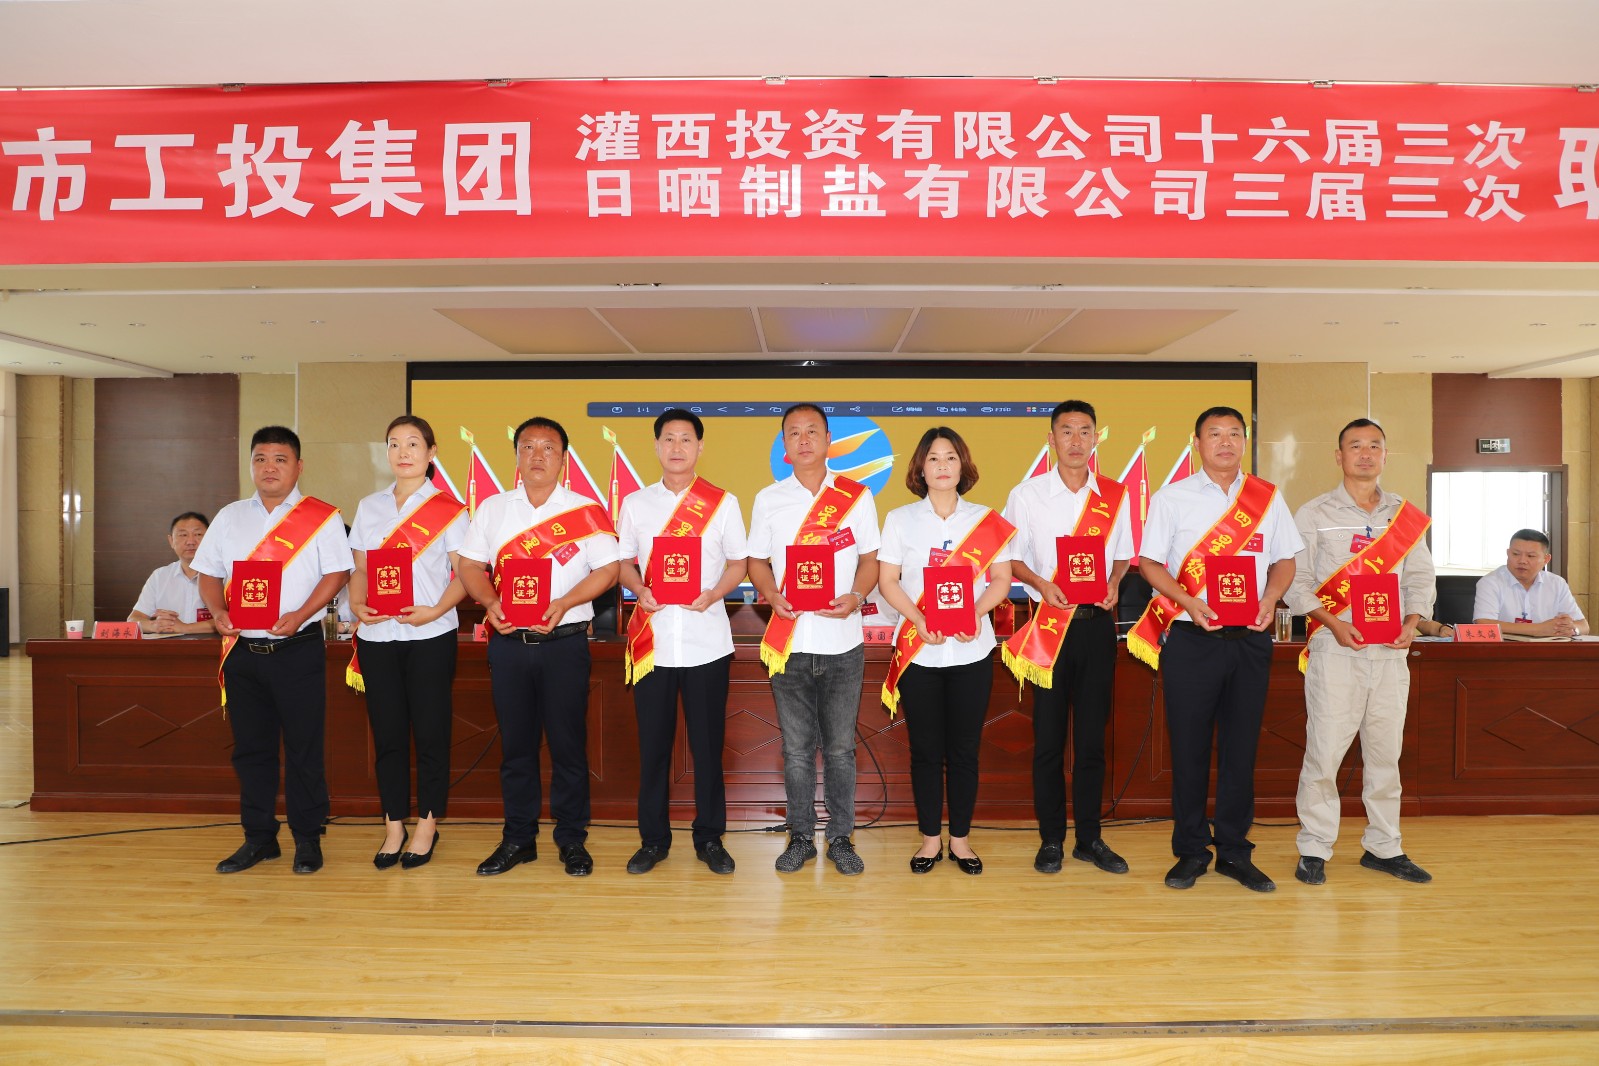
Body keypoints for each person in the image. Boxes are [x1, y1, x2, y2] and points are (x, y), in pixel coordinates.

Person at [1134, 406, 1301, 893]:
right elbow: (1149, 563)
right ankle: (1190, 851)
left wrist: (1271, 598)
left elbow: (1285, 560)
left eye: (1234, 434)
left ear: (1245, 442)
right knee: (1188, 751)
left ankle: (1233, 851)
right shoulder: (1172, 498)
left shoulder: (1266, 497)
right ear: (1197, 443)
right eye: (1214, 434)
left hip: (1250, 641)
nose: (1225, 442)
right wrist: (1188, 601)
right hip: (1193, 640)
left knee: (1240, 750)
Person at [457, 417, 620, 878]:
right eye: (528, 446)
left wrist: (565, 602)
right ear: (517, 456)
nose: (537, 455)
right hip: (509, 644)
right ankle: (518, 839)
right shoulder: (493, 509)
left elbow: (608, 570)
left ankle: (571, 840)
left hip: (563, 644)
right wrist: (490, 602)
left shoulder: (585, 510)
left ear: (563, 458)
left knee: (569, 746)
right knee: (516, 747)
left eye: (548, 447)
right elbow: (469, 566)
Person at [194, 425, 353, 875]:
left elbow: (337, 573)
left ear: (298, 467)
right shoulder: (230, 517)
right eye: (260, 458)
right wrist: (217, 611)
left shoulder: (321, 516)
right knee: (251, 750)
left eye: (280, 459)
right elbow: (208, 573)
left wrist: (301, 614)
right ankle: (259, 838)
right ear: (250, 465)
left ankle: (307, 838)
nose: (269, 467)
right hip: (243, 651)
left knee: (304, 748)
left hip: (297, 649)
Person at [1286, 418, 1436, 886]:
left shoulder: (1404, 516)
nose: (1365, 453)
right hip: (1337, 650)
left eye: (1374, 446)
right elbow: (1296, 581)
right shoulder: (1313, 513)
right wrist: (1334, 622)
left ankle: (1384, 847)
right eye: (1355, 446)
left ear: (1385, 456)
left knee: (1386, 755)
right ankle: (1314, 847)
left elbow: (1420, 577)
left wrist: (1412, 622)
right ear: (1339, 456)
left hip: (1390, 654)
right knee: (1324, 754)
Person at [1002, 400, 1135, 878]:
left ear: (1096, 438)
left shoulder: (1115, 495)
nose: (1076, 440)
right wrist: (1041, 584)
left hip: (1097, 627)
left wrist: (1115, 582)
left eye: (1084, 431)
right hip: (1049, 626)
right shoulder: (1027, 494)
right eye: (1067, 431)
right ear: (1051, 438)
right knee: (1049, 741)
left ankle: (1090, 838)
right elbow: (1011, 558)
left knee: (1093, 740)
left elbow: (1123, 555)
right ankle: (1051, 839)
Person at [747, 403, 880, 876]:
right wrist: (770, 595)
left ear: (827, 441)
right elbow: (756, 561)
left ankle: (841, 838)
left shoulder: (856, 496)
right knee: (798, 751)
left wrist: (856, 596)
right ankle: (800, 837)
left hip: (843, 642)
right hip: (790, 642)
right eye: (793, 433)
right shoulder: (769, 499)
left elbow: (870, 560)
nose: (803, 440)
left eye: (812, 432)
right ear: (784, 445)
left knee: (841, 749)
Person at [877, 427, 1014, 875]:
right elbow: (888, 581)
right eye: (933, 458)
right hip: (920, 653)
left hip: (971, 652)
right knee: (924, 750)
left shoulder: (985, 519)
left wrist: (974, 613)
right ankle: (930, 841)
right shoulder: (900, 519)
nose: (942, 465)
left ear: (963, 465)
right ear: (920, 468)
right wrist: (918, 619)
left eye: (950, 457)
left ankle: (961, 841)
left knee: (964, 751)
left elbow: (1001, 579)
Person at [617, 409, 748, 876]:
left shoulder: (723, 503)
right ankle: (653, 840)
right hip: (652, 643)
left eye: (686, 439)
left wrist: (714, 593)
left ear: (699, 447)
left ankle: (710, 838)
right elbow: (622, 562)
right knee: (653, 749)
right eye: (668, 439)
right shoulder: (635, 503)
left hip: (706, 642)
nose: (677, 447)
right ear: (657, 446)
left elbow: (739, 563)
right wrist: (639, 588)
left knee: (707, 749)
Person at [347, 415, 469, 870]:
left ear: (431, 452)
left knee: (431, 733)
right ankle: (394, 824)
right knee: (388, 735)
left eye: (413, 443)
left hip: (430, 636)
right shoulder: (369, 506)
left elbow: (467, 573)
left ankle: (427, 824)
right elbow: (360, 568)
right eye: (394, 443)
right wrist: (357, 604)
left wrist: (435, 610)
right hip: (378, 636)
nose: (403, 452)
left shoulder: (450, 509)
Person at [1472, 529, 1589, 637]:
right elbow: (1483, 624)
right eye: (1515, 554)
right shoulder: (1490, 582)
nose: (1522, 561)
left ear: (1546, 559)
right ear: (1508, 553)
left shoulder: (1557, 583)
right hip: (1504, 650)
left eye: (1530, 556)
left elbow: (1583, 626)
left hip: (1547, 650)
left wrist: (1572, 629)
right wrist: (1539, 629)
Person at [128, 511, 218, 635]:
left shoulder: (223, 575)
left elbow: (234, 620)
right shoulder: (159, 576)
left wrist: (185, 628)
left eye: (198, 534)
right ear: (171, 541)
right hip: (170, 646)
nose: (190, 541)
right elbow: (133, 619)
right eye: (183, 535)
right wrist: (154, 625)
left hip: (212, 645)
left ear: (210, 538)